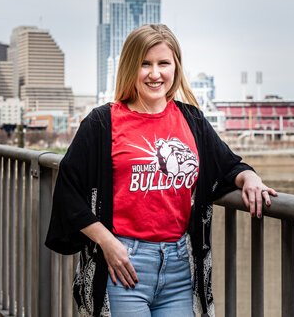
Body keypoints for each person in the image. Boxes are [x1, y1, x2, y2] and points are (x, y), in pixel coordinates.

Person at [45, 24, 276, 317]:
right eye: (145, 64)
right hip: (123, 263)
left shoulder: (191, 119)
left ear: (175, 67)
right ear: (131, 66)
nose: (155, 74)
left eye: (163, 63)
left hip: (179, 266)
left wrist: (251, 179)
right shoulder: (102, 122)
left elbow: (229, 165)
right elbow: (68, 191)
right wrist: (107, 243)